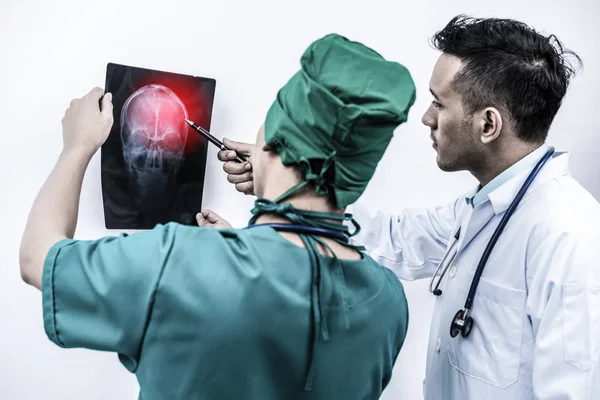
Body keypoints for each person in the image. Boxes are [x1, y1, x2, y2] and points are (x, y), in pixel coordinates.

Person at [210, 16, 600, 399]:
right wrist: (285, 178)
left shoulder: (569, 235)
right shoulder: (482, 207)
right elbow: (393, 238)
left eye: (439, 103)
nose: (427, 118)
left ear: (488, 125)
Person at [19, 33, 417, 399]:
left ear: (273, 138)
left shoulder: (178, 263)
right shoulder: (388, 301)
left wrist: (76, 146)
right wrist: (246, 234)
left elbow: (39, 257)